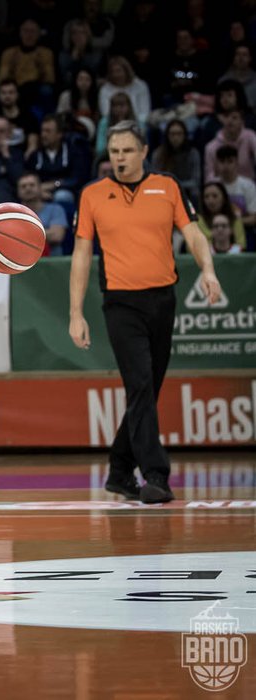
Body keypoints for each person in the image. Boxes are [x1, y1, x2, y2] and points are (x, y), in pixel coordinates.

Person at [69, 120, 221, 505]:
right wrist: (76, 312)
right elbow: (82, 255)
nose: (118, 158)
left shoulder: (167, 186)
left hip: (162, 299)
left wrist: (207, 270)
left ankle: (119, 471)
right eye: (114, 151)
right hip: (121, 303)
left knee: (146, 391)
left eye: (126, 151)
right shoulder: (92, 194)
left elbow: (193, 233)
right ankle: (156, 475)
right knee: (139, 386)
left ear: (143, 152)